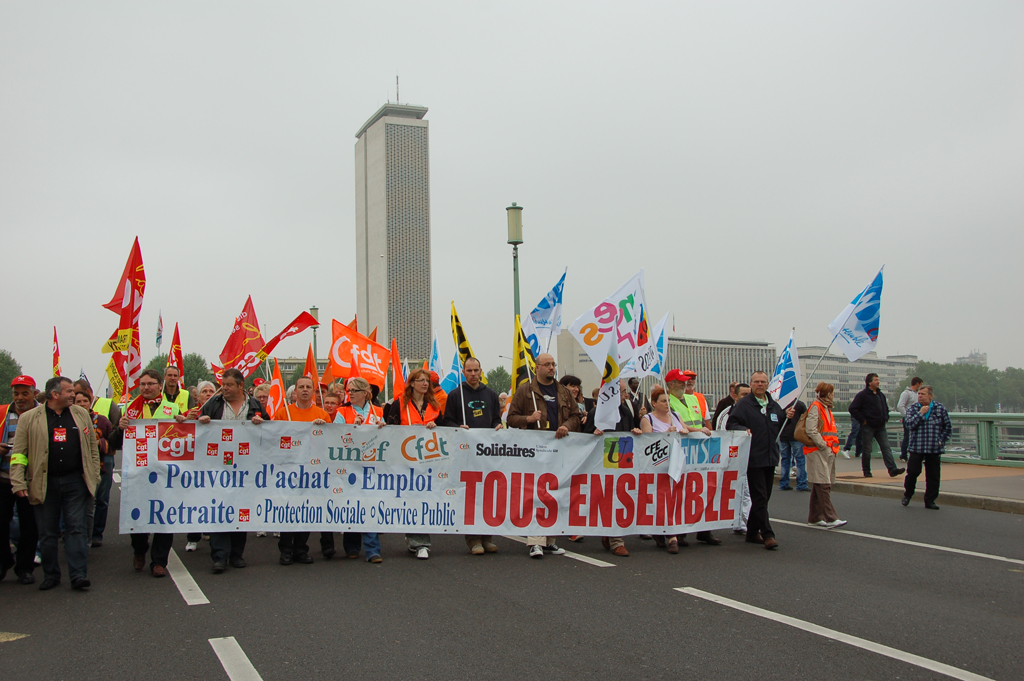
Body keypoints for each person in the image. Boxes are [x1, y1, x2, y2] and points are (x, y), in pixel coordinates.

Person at [10, 376, 100, 590]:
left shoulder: (80, 414)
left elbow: (92, 448)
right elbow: (19, 454)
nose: (74, 395)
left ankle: (78, 575)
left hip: (75, 482)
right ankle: (51, 575)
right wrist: (18, 481)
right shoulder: (29, 419)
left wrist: (94, 475)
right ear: (55, 394)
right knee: (48, 532)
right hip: (44, 482)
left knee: (76, 529)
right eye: (70, 391)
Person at [506, 353, 580, 559]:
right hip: (534, 453)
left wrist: (566, 425)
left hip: (558, 451)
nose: (551, 368)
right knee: (535, 495)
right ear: (536, 367)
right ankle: (536, 541)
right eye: (547, 365)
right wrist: (528, 418)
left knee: (555, 495)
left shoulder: (564, 392)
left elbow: (576, 416)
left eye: (553, 364)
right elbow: (510, 419)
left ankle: (551, 540)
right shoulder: (525, 391)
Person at [197, 368, 268, 573]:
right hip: (218, 465)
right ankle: (220, 556)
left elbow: (270, 429)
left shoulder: (254, 405)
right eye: (223, 384)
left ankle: (237, 554)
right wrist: (201, 422)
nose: (224, 388)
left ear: (240, 386)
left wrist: (262, 423)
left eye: (228, 385)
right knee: (220, 509)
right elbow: (197, 426)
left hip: (246, 467)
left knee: (241, 509)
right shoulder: (213, 403)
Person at [121, 368, 187, 577]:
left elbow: (184, 438)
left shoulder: (172, 408)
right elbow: (117, 442)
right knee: (139, 514)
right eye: (143, 384)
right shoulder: (131, 409)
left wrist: (183, 423)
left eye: (150, 384)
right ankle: (139, 550)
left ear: (160, 386)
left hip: (165, 471)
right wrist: (119, 427)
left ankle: (159, 561)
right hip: (139, 472)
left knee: (164, 516)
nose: (146, 388)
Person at [725, 371, 793, 551]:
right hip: (753, 457)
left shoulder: (773, 405)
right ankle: (768, 534)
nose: (760, 385)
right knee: (760, 496)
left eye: (763, 382)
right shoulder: (744, 405)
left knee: (765, 497)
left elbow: (778, 423)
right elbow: (731, 424)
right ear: (751, 384)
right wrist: (743, 429)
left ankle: (752, 531)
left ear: (767, 384)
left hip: (770, 457)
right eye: (756, 382)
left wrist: (787, 416)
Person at [442, 357, 503, 555]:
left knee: (488, 494)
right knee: (470, 495)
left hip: (487, 454)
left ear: (481, 371)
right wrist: (458, 428)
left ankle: (487, 537)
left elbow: (496, 419)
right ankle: (473, 539)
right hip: (465, 453)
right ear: (464, 372)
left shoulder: (491, 394)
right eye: (469, 371)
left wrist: (497, 426)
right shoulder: (455, 395)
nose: (473, 374)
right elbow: (447, 421)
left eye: (476, 370)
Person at [382, 369, 439, 559]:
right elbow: (391, 429)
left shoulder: (434, 405)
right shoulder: (399, 405)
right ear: (411, 383)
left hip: (429, 460)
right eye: (421, 380)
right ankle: (419, 541)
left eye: (427, 381)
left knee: (424, 500)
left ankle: (417, 538)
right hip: (405, 460)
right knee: (412, 499)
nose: (425, 384)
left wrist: (436, 427)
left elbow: (447, 428)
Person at [272, 376, 329, 565]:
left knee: (306, 509)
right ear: (294, 391)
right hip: (289, 469)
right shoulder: (283, 414)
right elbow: (273, 438)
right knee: (289, 509)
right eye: (301, 387)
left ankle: (301, 549)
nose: (305, 390)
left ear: (314, 391)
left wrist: (325, 429)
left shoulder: (322, 414)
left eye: (308, 387)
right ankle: (285, 549)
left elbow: (330, 442)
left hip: (313, 471)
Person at [332, 377, 383, 563]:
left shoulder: (378, 412)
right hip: (349, 466)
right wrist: (351, 426)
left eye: (354, 390)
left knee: (369, 505)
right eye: (349, 390)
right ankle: (351, 546)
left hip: (371, 466)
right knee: (351, 505)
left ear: (365, 393)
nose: (350, 393)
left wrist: (382, 428)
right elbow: (335, 435)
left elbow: (385, 437)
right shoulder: (342, 411)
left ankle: (373, 550)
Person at [639, 385, 688, 554]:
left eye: (668, 400)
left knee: (675, 498)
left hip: (676, 464)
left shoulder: (675, 415)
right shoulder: (648, 419)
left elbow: (687, 429)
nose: (667, 404)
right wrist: (666, 433)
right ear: (654, 403)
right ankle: (671, 536)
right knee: (661, 500)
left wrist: (694, 430)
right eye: (662, 401)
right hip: (657, 467)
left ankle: (667, 532)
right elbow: (647, 441)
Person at [1, 375, 40, 584]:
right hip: (4, 478)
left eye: (25, 393)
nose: (20, 398)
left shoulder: (42, 414)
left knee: (29, 525)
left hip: (30, 480)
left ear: (34, 393)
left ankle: (24, 568)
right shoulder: (2, 413)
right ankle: (4, 560)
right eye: (16, 393)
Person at [902, 385, 951, 510]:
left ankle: (930, 500)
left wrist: (941, 441)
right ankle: (908, 494)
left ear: (930, 396)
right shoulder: (913, 409)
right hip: (917, 447)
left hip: (934, 448)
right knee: (913, 472)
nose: (920, 396)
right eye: (919, 394)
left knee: (933, 475)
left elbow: (947, 427)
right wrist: (920, 414)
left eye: (923, 394)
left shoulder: (939, 409)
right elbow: (909, 424)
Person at [804, 383, 846, 528]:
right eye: (832, 393)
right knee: (823, 484)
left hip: (826, 450)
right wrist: (822, 445)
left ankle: (815, 517)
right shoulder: (817, 407)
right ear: (828, 394)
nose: (833, 395)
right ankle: (831, 517)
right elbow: (811, 429)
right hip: (818, 450)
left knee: (819, 482)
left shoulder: (825, 407)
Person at [73, 388, 112, 546]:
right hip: (76, 470)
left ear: (91, 402)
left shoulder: (102, 421)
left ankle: (96, 534)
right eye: (78, 402)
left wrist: (100, 443)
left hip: (100, 467)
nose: (82, 404)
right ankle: (78, 536)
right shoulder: (68, 420)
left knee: (101, 501)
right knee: (80, 505)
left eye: (85, 401)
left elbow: (114, 443)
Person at [849, 373, 905, 479]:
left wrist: (885, 417)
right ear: (869, 382)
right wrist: (863, 420)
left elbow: (885, 407)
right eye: (876, 380)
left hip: (880, 426)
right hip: (868, 426)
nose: (878, 382)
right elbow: (853, 409)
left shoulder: (880, 395)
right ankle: (867, 471)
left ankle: (892, 469)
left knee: (886, 447)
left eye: (878, 380)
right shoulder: (863, 395)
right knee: (867, 449)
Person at [716, 383, 752, 535]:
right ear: (735, 396)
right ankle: (743, 522)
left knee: (748, 492)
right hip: (735, 459)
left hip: (752, 457)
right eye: (744, 395)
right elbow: (723, 436)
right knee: (743, 491)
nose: (747, 398)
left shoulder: (753, 411)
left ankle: (742, 522)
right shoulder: (727, 414)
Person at [665, 370, 712, 434]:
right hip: (681, 439)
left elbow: (702, 421)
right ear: (671, 385)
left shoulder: (693, 398)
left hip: (699, 439)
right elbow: (676, 423)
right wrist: (698, 430)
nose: (684, 384)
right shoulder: (667, 402)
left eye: (684, 382)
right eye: (681, 382)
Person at [778, 399, 808, 491]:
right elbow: (806, 418)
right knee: (800, 459)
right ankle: (801, 483)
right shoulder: (800, 404)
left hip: (783, 435)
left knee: (785, 459)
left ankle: (784, 482)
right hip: (796, 435)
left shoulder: (780, 404)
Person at [897, 377, 924, 463]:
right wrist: (906, 416)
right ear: (917, 384)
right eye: (921, 384)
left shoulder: (918, 394)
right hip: (909, 418)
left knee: (919, 436)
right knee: (908, 436)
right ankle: (904, 455)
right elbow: (900, 405)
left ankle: (918, 455)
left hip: (918, 417)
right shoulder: (906, 393)